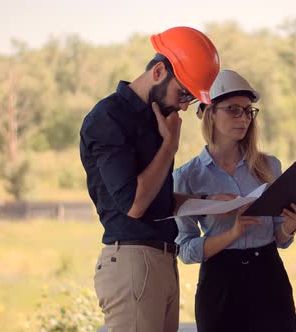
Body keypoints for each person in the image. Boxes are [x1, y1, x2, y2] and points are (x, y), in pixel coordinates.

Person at [79, 26, 220, 332]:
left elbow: (158, 199)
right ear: (159, 71)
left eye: (192, 100)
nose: (184, 105)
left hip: (162, 260)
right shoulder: (108, 118)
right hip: (132, 260)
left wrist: (209, 202)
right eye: (184, 93)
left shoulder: (157, 117)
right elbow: (135, 204)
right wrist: (169, 147)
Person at [173, 69, 296, 332]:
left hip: (269, 278)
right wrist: (232, 233)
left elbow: (281, 238)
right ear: (210, 113)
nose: (244, 118)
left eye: (248, 111)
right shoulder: (187, 177)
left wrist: (291, 225)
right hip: (219, 284)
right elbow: (185, 250)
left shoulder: (269, 166)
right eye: (233, 109)